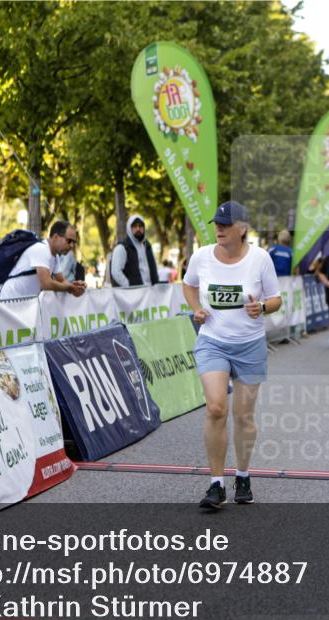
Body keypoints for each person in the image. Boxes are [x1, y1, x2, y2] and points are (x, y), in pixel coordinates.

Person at [182, 201, 281, 509]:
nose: (219, 229)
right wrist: (196, 308)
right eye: (217, 224)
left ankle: (243, 474)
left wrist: (261, 308)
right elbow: (188, 285)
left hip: (250, 345)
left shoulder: (260, 258)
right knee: (215, 408)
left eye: (226, 224)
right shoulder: (201, 257)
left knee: (243, 415)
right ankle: (216, 484)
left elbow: (276, 298)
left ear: (243, 228)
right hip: (213, 341)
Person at [0, 221, 86, 299]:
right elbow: (46, 284)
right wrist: (70, 288)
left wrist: (75, 286)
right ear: (56, 237)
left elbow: (61, 281)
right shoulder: (41, 250)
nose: (72, 246)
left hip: (20, 304)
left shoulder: (55, 256)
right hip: (6, 302)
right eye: (69, 241)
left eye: (74, 242)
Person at [111, 214, 159, 287]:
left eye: (140, 226)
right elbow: (116, 272)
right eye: (135, 226)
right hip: (134, 294)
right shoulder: (122, 248)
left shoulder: (147, 246)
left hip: (150, 292)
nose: (138, 229)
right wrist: (130, 287)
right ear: (129, 228)